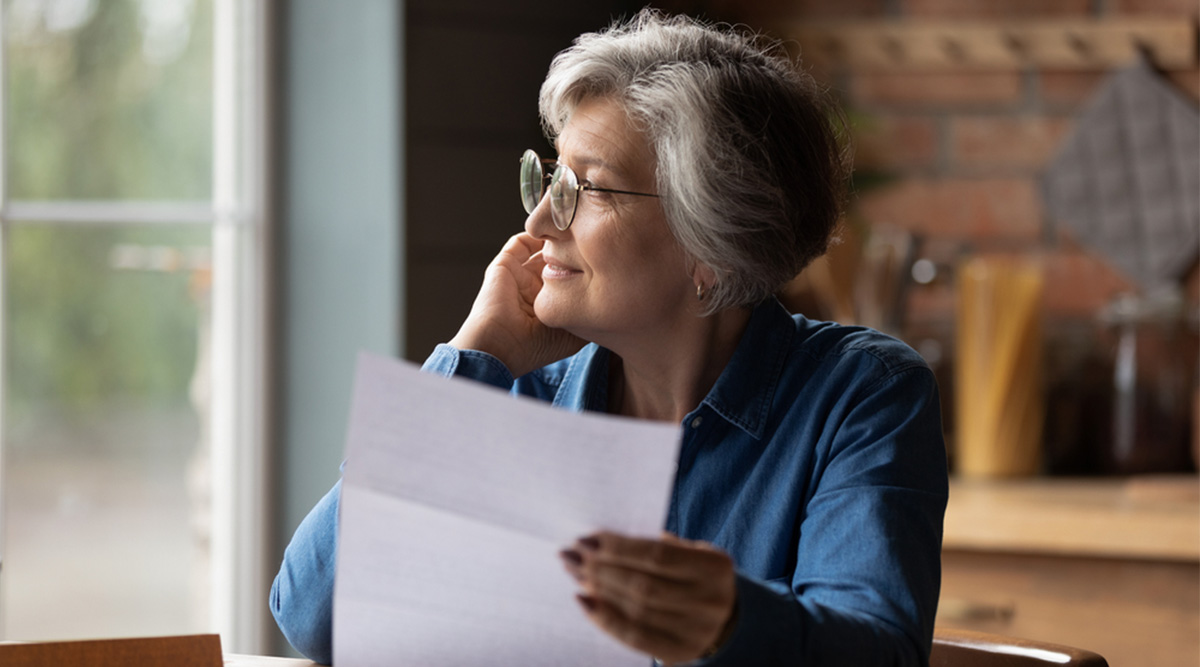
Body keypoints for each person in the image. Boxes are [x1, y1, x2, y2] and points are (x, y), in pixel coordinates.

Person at [271, 9, 947, 666]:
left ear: (710, 248)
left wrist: (728, 623)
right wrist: (471, 358)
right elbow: (314, 615)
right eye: (551, 177)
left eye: (589, 187)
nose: (540, 219)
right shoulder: (512, 392)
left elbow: (876, 647)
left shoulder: (860, 394)